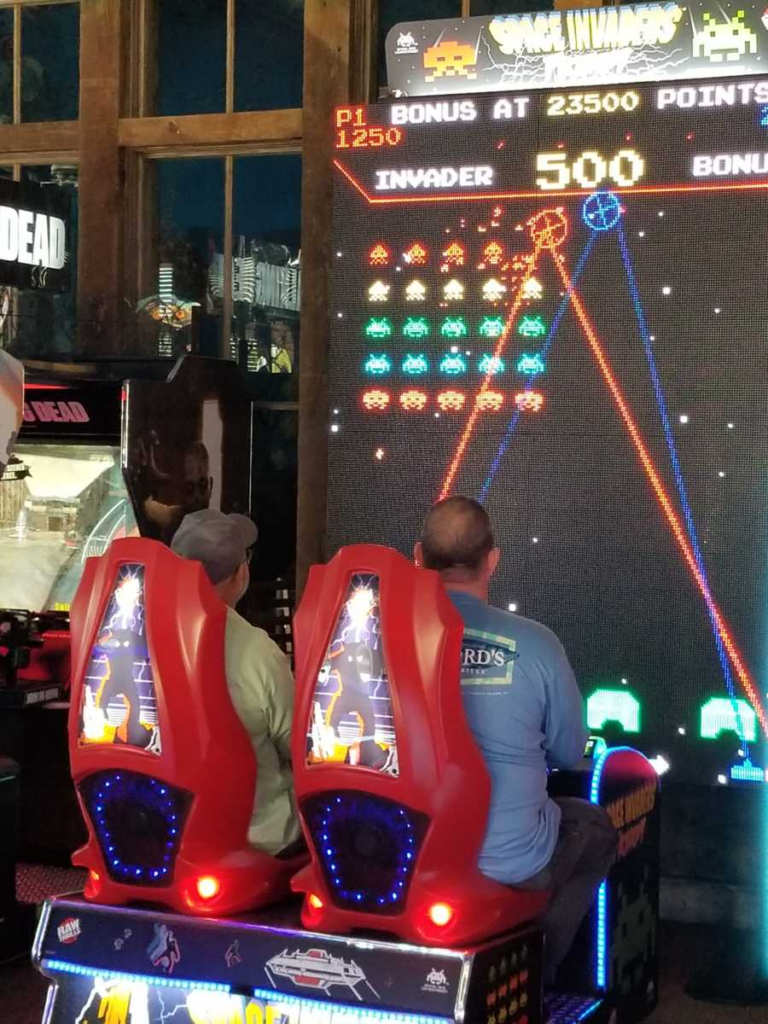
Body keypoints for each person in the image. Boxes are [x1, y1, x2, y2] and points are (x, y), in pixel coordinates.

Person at [414, 496, 617, 983]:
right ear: (493, 560)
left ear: (418, 556)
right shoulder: (536, 644)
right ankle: (532, 974)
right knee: (594, 830)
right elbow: (568, 752)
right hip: (510, 860)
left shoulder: (378, 640)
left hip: (401, 854)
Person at [171, 508, 301, 857]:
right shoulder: (258, 652)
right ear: (241, 573)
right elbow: (300, 748)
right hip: (258, 837)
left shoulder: (136, 632)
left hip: (163, 827)